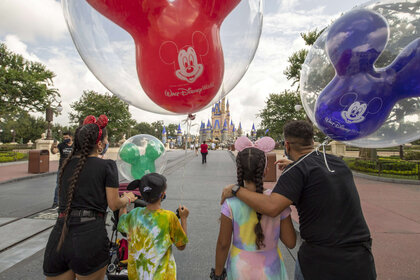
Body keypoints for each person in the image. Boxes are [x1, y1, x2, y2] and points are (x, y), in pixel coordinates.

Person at [221, 120, 376, 280]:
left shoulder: (297, 171)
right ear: (312, 141)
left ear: (287, 145)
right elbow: (315, 176)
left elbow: (272, 207)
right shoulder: (337, 163)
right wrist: (296, 165)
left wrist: (235, 189)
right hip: (361, 257)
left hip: (322, 261)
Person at [43, 115, 137, 280]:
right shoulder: (107, 166)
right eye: (106, 139)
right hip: (89, 236)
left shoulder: (66, 165)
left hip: (59, 235)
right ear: (99, 144)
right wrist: (128, 198)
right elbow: (114, 204)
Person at [212, 137, 296, 280]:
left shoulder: (230, 203)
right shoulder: (277, 201)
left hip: (240, 269)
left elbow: (223, 244)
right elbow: (290, 242)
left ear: (239, 170)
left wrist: (218, 274)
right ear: (265, 170)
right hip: (271, 269)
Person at [118, 173, 189, 279]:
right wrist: (183, 218)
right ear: (163, 194)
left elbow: (121, 224)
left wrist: (124, 204)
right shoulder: (169, 217)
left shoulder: (134, 214)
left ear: (142, 194)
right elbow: (181, 245)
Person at [50, 131, 74, 209]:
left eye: (67, 137)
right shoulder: (61, 145)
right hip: (62, 168)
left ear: (71, 137)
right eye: (64, 138)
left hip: (72, 168)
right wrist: (52, 146)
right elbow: (54, 151)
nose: (65, 139)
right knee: (59, 185)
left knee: (72, 185)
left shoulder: (75, 145)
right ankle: (56, 202)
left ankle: (71, 202)